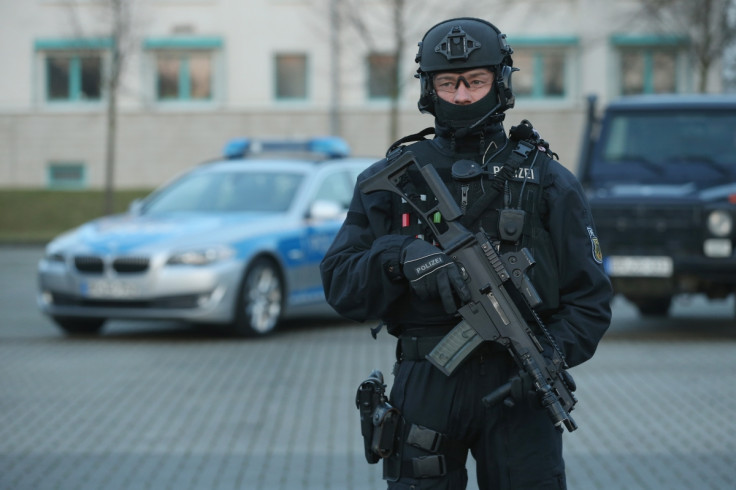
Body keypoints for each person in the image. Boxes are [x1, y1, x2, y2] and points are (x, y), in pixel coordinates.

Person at [320, 17, 613, 490]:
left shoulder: (548, 181)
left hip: (519, 385)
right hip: (426, 379)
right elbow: (339, 283)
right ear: (428, 89)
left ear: (500, 83)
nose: (460, 96)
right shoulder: (392, 180)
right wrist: (399, 256)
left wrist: (551, 357)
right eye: (448, 83)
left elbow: (591, 301)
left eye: (474, 82)